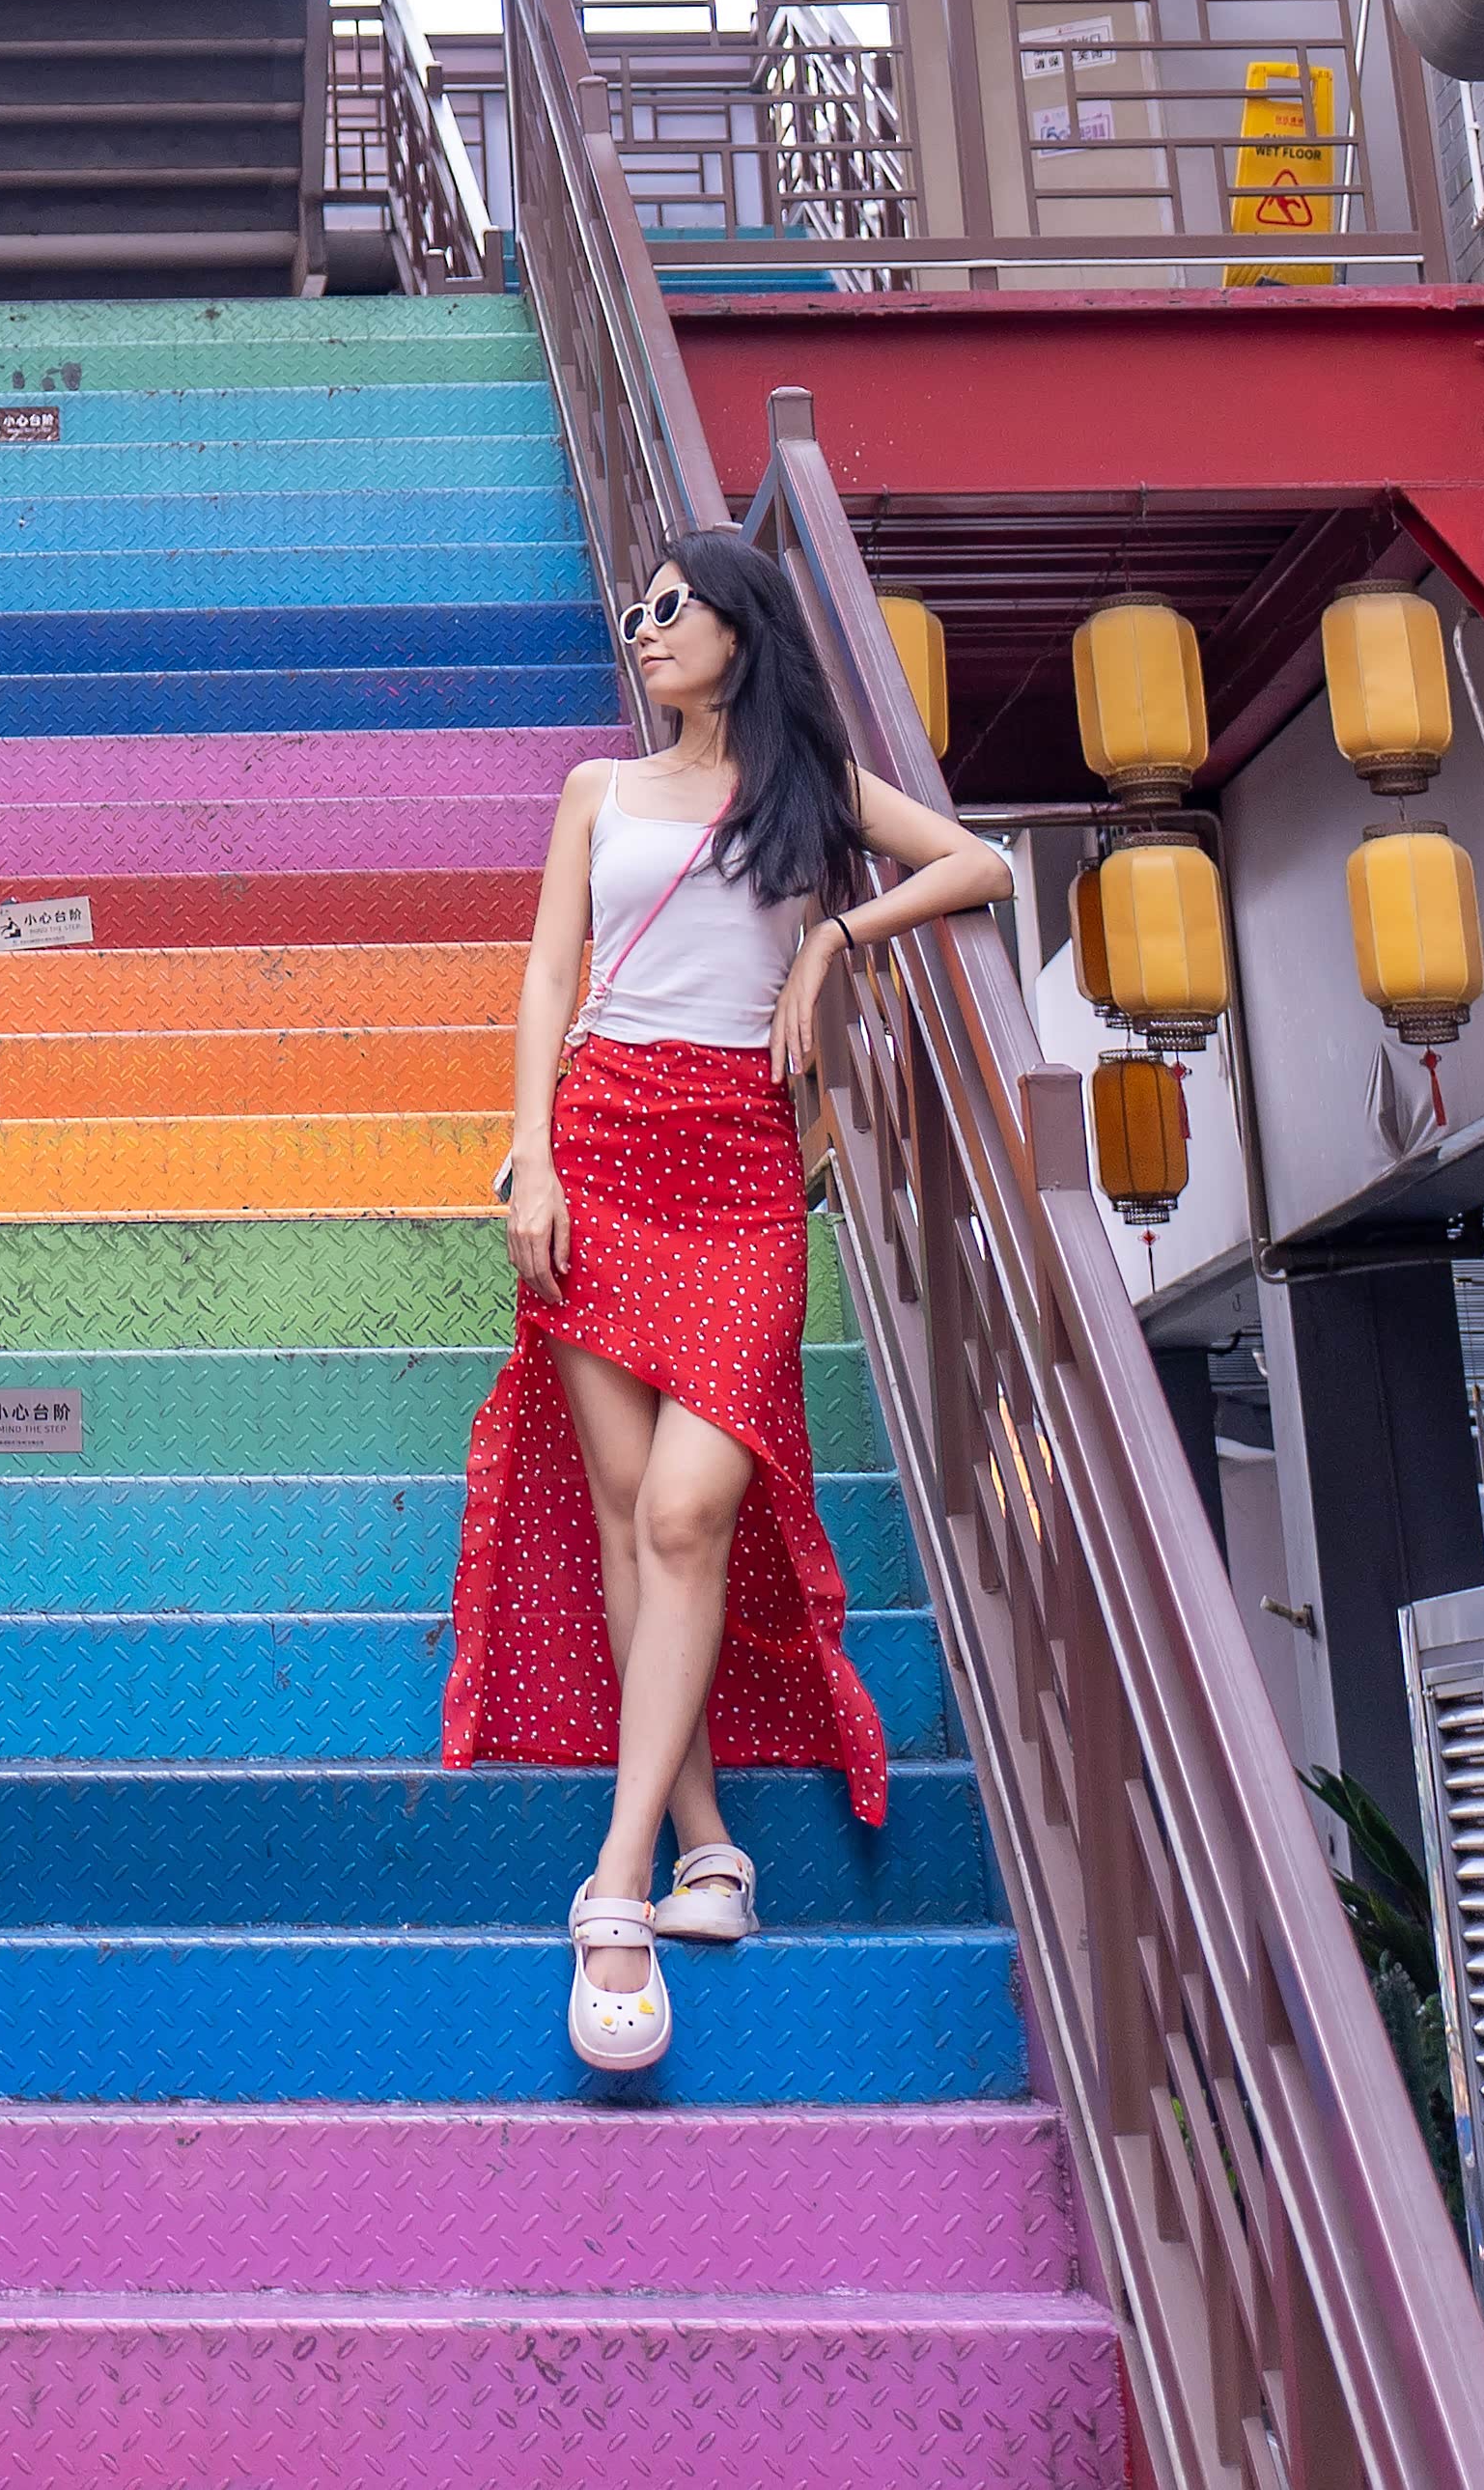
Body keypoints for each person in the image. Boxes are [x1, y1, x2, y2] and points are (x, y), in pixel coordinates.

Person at [440, 523, 1011, 2078]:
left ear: (739, 628)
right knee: (635, 1516)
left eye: (671, 606)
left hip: (743, 1172)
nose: (644, 628)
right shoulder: (596, 788)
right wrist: (532, 1156)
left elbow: (978, 860)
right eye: (636, 610)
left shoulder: (805, 784)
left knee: (691, 1509)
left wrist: (833, 934)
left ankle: (615, 1880)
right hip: (603, 1148)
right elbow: (547, 979)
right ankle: (703, 1845)